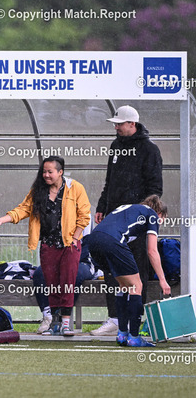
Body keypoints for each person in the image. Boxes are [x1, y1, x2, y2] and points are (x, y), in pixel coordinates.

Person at [0, 156, 90, 336]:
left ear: (60, 172)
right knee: (50, 282)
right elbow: (23, 209)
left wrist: (75, 238)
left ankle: (66, 323)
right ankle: (54, 323)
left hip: (69, 244)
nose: (46, 175)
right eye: (44, 172)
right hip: (48, 244)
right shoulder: (38, 190)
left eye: (50, 172)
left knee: (67, 282)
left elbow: (84, 215)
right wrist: (2, 220)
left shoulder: (75, 188)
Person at [92, 105, 163, 336]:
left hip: (136, 222)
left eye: (120, 124)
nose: (116, 128)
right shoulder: (115, 146)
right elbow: (109, 181)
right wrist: (102, 207)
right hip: (113, 219)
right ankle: (114, 318)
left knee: (136, 269)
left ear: (132, 123)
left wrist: (141, 214)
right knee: (111, 269)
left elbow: (155, 189)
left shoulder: (150, 150)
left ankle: (134, 320)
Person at [85, 195, 171, 347]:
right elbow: (152, 250)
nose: (161, 223)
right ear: (160, 213)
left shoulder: (128, 208)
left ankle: (122, 334)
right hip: (112, 240)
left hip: (94, 241)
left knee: (124, 286)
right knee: (136, 286)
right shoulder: (152, 215)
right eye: (163, 219)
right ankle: (134, 337)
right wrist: (163, 280)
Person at [33, 240, 95, 333]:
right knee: (40, 273)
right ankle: (48, 317)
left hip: (82, 261)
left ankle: (63, 318)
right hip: (58, 256)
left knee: (73, 275)